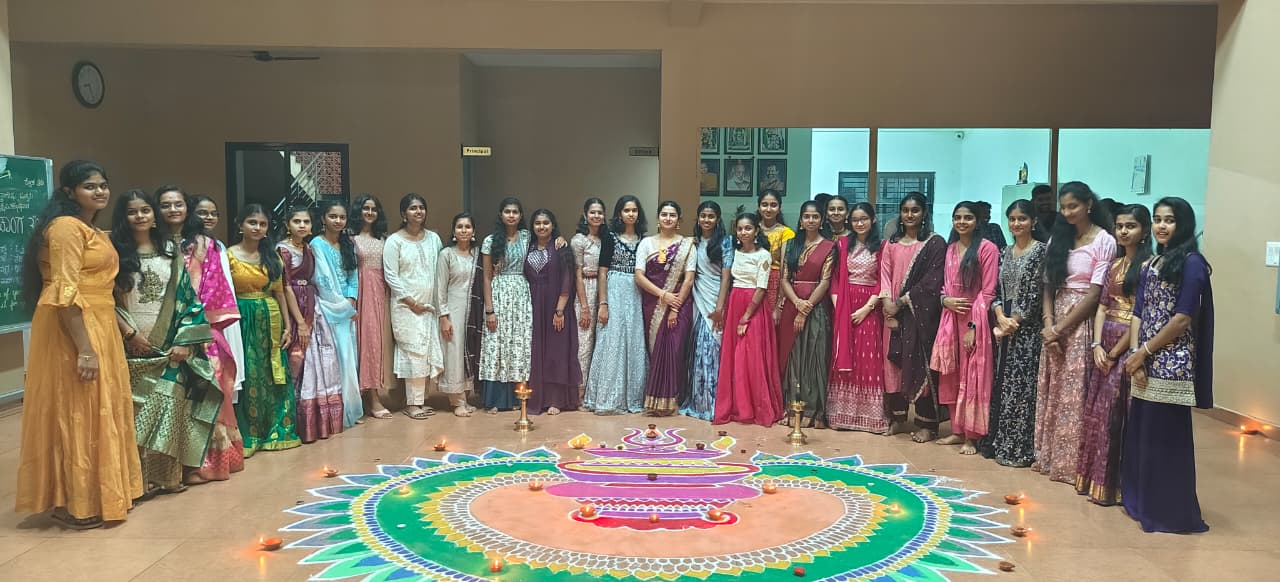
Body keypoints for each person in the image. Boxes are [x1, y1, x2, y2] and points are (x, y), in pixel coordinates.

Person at [16, 161, 143, 529]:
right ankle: (75, 502)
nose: (100, 191)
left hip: (99, 322)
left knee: (101, 408)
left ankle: (102, 494)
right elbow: (65, 294)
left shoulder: (90, 229)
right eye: (90, 186)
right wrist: (85, 349)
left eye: (103, 185)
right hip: (74, 328)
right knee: (78, 409)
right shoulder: (65, 228)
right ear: (70, 191)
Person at [111, 190, 220, 496]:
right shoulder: (114, 254)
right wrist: (129, 335)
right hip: (129, 345)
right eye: (132, 211)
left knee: (168, 409)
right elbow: (106, 301)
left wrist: (185, 341)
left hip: (170, 348)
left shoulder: (170, 252)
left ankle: (167, 477)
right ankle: (137, 481)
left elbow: (189, 300)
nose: (140, 216)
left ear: (154, 215)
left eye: (145, 210)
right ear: (123, 217)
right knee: (135, 414)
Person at [1121, 197, 1213, 533]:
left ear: (1183, 224)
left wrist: (1144, 351)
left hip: (1172, 363)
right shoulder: (1152, 261)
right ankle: (1140, 501)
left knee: (1165, 440)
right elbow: (1139, 312)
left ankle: (1168, 511)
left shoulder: (1192, 263)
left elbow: (1182, 318)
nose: (1162, 226)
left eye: (1169, 220)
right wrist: (1135, 354)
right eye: (1158, 219)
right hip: (1143, 360)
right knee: (1142, 436)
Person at [1035, 182, 1115, 484]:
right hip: (1055, 317)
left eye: (1074, 206)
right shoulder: (1059, 237)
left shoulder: (1104, 240)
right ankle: (1048, 456)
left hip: (1081, 321)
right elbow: (1048, 285)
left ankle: (1070, 464)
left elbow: (1095, 294)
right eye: (1064, 207)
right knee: (1053, 389)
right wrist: (1048, 324)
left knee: (1074, 392)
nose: (1068, 212)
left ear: (1088, 205)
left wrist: (1060, 328)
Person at [1076, 204, 1151, 504]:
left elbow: (1140, 314)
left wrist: (1113, 352)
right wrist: (1096, 345)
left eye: (1130, 226)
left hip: (1128, 343)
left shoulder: (1148, 267)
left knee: (1119, 414)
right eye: (1119, 226)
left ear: (1144, 231)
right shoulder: (1115, 265)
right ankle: (1097, 481)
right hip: (1104, 341)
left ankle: (1120, 486)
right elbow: (1102, 306)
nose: (1123, 231)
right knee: (1099, 412)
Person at [227, 204, 301, 455]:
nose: (257, 228)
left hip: (270, 318)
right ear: (240, 225)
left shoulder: (272, 257)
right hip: (241, 319)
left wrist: (288, 326)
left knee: (273, 373)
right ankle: (249, 434)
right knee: (248, 372)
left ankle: (275, 430)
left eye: (262, 224)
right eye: (252, 222)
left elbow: (280, 293)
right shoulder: (228, 256)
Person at [979, 200, 1047, 467]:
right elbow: (994, 290)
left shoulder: (1041, 251)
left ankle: (1020, 448)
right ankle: (1000, 443)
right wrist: (999, 316)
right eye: (1012, 219)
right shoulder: (1004, 252)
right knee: (1003, 384)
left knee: (1022, 388)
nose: (1017, 224)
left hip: (1027, 332)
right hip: (1003, 328)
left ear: (1034, 222)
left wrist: (1012, 322)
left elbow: (1036, 295)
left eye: (1022, 219)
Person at [184, 195, 245, 482]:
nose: (207, 217)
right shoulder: (166, 245)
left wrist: (192, 327)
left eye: (212, 213)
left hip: (203, 327)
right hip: (162, 330)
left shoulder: (207, 246)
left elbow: (212, 289)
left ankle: (209, 462)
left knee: (210, 388)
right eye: (201, 212)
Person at [932, 202, 999, 455]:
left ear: (977, 221)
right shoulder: (950, 249)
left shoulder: (987, 248)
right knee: (951, 375)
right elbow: (943, 287)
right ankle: (956, 430)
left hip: (974, 320)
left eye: (968, 217)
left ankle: (972, 436)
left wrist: (973, 325)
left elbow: (988, 291)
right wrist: (945, 300)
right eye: (957, 217)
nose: (962, 222)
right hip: (950, 319)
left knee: (973, 377)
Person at [880, 192, 947, 443]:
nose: (910, 215)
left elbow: (933, 281)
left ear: (924, 213)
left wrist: (901, 302)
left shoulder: (934, 243)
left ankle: (926, 423)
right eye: (905, 210)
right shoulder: (892, 243)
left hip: (920, 314)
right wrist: (888, 303)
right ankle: (897, 418)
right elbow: (884, 275)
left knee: (921, 365)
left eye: (915, 210)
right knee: (893, 366)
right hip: (891, 312)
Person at [278, 207, 343, 442]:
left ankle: (318, 422)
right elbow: (284, 286)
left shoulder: (308, 248)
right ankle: (295, 423)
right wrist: (299, 322)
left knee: (320, 358)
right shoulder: (282, 250)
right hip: (294, 306)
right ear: (287, 224)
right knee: (298, 358)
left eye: (306, 221)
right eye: (297, 221)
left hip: (312, 304)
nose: (302, 225)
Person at [714, 213, 783, 426]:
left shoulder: (763, 255)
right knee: (734, 357)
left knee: (751, 357)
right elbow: (729, 280)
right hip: (735, 301)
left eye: (748, 228)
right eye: (740, 229)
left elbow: (761, 288)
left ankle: (755, 408)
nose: (743, 232)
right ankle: (737, 406)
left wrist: (745, 317)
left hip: (753, 307)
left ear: (756, 231)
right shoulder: (734, 253)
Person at [827, 202, 888, 433]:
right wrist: (839, 307)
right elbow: (834, 278)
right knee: (845, 353)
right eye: (855, 220)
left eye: (864, 219)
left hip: (870, 306)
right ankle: (841, 414)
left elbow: (883, 280)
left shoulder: (882, 246)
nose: (859, 223)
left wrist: (866, 309)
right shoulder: (843, 244)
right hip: (844, 302)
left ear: (873, 220)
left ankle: (870, 417)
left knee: (868, 356)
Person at [384, 194, 446, 419]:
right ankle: (411, 403)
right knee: (413, 353)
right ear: (403, 214)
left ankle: (420, 400)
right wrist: (412, 302)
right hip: (406, 307)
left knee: (427, 352)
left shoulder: (433, 239)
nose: (418, 211)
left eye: (421, 207)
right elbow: (391, 276)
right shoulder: (394, 241)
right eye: (412, 208)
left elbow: (440, 269)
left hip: (429, 306)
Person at [585, 196, 649, 414]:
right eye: (626, 210)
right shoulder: (610, 238)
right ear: (619, 214)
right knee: (612, 340)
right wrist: (603, 303)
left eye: (634, 210)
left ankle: (633, 397)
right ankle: (608, 398)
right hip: (614, 291)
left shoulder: (644, 240)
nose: (630, 214)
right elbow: (602, 272)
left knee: (634, 341)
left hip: (636, 293)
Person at [635, 201, 696, 416]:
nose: (668, 218)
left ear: (679, 219)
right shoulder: (646, 243)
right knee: (655, 350)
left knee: (675, 350)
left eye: (672, 215)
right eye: (664, 214)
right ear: (658, 218)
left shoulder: (688, 245)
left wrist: (675, 307)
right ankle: (654, 401)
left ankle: (672, 400)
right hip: (653, 303)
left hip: (680, 304)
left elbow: (689, 279)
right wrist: (663, 295)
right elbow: (639, 276)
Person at [777, 200, 834, 427]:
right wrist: (796, 303)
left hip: (816, 307)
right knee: (792, 357)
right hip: (792, 304)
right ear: (800, 220)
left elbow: (825, 281)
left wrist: (806, 307)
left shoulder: (829, 247)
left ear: (821, 220)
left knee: (813, 356)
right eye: (806, 216)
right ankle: (792, 408)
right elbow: (784, 278)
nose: (811, 220)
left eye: (815, 216)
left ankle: (812, 411)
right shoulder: (791, 245)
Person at [310, 200, 363, 427]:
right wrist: (344, 307)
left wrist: (351, 299)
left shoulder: (347, 243)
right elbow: (323, 280)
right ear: (323, 218)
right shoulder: (317, 244)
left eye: (342, 217)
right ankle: (334, 413)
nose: (338, 221)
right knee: (333, 361)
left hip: (347, 311)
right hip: (328, 310)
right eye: (333, 216)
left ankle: (350, 409)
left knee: (349, 359)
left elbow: (353, 277)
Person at [481, 197, 534, 413]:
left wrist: (559, 240)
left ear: (520, 216)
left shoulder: (527, 237)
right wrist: (489, 310)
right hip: (499, 292)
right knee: (498, 343)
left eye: (515, 212)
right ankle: (496, 399)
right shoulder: (490, 240)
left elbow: (547, 241)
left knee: (519, 343)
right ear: (501, 214)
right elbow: (486, 277)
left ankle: (517, 397)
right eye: (507, 211)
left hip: (521, 293)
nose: (511, 215)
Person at [525, 209, 581, 414]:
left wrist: (559, 310)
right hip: (532, 304)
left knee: (556, 352)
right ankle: (537, 397)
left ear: (553, 225)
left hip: (555, 305)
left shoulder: (561, 248)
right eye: (537, 223)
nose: (542, 227)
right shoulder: (528, 247)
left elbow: (567, 278)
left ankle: (556, 400)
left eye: (546, 223)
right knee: (536, 351)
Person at [683, 201, 732, 420]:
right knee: (699, 350)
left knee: (713, 349)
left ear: (718, 219)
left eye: (711, 216)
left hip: (716, 300)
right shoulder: (692, 243)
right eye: (703, 215)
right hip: (698, 299)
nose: (706, 220)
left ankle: (715, 403)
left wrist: (720, 308)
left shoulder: (725, 242)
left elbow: (726, 278)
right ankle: (699, 402)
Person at [435, 213, 482, 417]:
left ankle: (465, 396)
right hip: (453, 310)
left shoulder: (478, 255)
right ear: (454, 232)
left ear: (473, 231)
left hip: (473, 311)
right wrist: (443, 317)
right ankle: (456, 401)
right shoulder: (446, 254)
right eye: (460, 227)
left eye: (468, 227)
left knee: (469, 351)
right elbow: (440, 288)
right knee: (454, 352)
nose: (464, 230)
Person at [352, 194, 392, 419]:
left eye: (373, 209)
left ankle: (375, 393)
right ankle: (367, 397)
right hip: (360, 291)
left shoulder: (384, 239)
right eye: (365, 208)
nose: (369, 213)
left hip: (381, 291)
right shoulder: (350, 238)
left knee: (378, 343)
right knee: (364, 342)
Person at [571, 198, 606, 401]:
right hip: (585, 289)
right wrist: (584, 306)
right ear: (585, 215)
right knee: (583, 343)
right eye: (592, 212)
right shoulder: (579, 240)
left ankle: (596, 391)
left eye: (600, 212)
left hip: (604, 290)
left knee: (601, 342)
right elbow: (577, 274)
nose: (596, 216)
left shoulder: (606, 238)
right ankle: (579, 391)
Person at [758, 189, 794, 321]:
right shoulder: (751, 229)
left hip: (775, 283)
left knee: (771, 322)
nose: (768, 209)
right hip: (751, 281)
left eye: (773, 205)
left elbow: (785, 266)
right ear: (758, 207)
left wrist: (780, 300)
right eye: (764, 205)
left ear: (779, 208)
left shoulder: (786, 232)